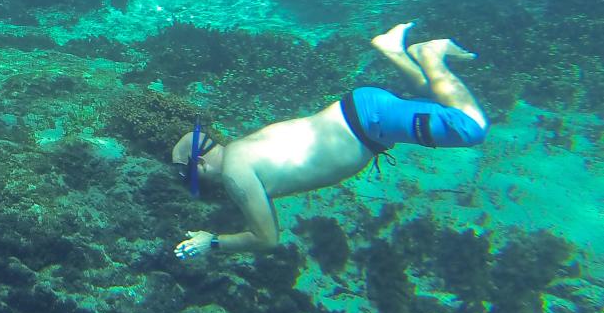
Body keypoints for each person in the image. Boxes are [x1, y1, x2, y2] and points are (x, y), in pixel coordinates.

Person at [172, 22, 489, 259]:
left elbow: (267, 239)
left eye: (193, 178)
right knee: (436, 100)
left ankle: (429, 54)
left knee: (469, 128)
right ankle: (393, 50)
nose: (203, 186)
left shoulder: (234, 173)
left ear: (199, 163)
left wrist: (210, 241)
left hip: (368, 122)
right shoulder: (242, 148)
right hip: (364, 117)